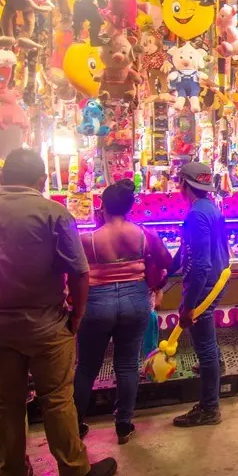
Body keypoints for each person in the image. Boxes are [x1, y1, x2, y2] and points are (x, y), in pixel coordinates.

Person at [0, 149, 115, 476]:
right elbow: (79, 271)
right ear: (41, 180)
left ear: (2, 177)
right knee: (56, 399)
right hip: (47, 324)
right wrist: (77, 314)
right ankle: (73, 471)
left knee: (5, 403)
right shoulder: (53, 212)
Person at [73, 182, 173, 444]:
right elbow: (167, 263)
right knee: (128, 364)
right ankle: (124, 425)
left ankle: (75, 425)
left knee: (86, 368)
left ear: (102, 206)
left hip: (97, 303)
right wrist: (156, 286)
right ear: (130, 207)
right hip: (135, 300)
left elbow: (73, 274)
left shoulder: (87, 240)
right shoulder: (143, 235)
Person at [171, 161, 232, 426]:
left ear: (185, 184)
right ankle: (216, 367)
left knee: (204, 347)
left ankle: (209, 408)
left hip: (204, 286)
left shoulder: (196, 215)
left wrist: (187, 306)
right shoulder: (208, 208)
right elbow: (187, 250)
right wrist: (168, 270)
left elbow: (200, 265)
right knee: (209, 344)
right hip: (216, 280)